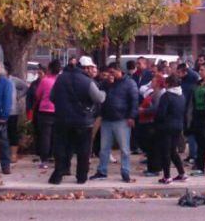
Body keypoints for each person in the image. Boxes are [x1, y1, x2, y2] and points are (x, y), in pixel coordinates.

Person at [48, 56, 105, 184]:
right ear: (85, 68)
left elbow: (51, 97)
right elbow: (99, 98)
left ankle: (58, 175)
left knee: (61, 148)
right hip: (83, 121)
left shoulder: (61, 78)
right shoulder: (87, 82)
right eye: (90, 68)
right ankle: (81, 177)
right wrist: (104, 93)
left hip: (61, 120)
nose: (92, 70)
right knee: (83, 150)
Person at [91, 62, 139, 183]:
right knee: (104, 148)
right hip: (107, 118)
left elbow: (134, 101)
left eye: (112, 72)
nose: (110, 75)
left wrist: (131, 116)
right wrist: (108, 84)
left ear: (119, 71)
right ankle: (102, 170)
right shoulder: (106, 84)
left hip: (122, 119)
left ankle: (125, 171)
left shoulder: (129, 83)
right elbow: (100, 95)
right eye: (109, 73)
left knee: (124, 148)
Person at [154, 75, 187, 184]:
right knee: (173, 151)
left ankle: (167, 176)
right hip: (178, 126)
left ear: (168, 84)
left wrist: (157, 121)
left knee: (166, 152)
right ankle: (182, 173)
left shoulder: (167, 96)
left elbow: (161, 113)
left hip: (166, 126)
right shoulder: (182, 95)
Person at [136, 73, 166, 176]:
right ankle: (151, 167)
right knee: (150, 146)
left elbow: (156, 109)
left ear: (158, 83)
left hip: (152, 123)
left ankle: (155, 169)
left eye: (153, 81)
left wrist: (143, 110)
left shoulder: (158, 94)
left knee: (154, 147)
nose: (151, 83)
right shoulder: (154, 93)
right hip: (148, 122)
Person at [34, 59, 61, 169]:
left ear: (49, 69)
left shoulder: (45, 81)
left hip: (45, 110)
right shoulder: (60, 81)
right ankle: (56, 157)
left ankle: (44, 159)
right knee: (57, 135)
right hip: (58, 110)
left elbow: (38, 94)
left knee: (45, 136)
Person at [5, 61, 29, 164]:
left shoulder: (13, 81)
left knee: (12, 132)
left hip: (12, 111)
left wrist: (18, 96)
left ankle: (13, 154)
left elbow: (25, 87)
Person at [176, 63, 200, 162]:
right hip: (187, 110)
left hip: (190, 111)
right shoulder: (186, 81)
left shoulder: (189, 83)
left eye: (179, 72)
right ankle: (192, 154)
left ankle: (194, 155)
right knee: (189, 133)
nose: (178, 74)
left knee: (191, 133)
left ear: (184, 72)